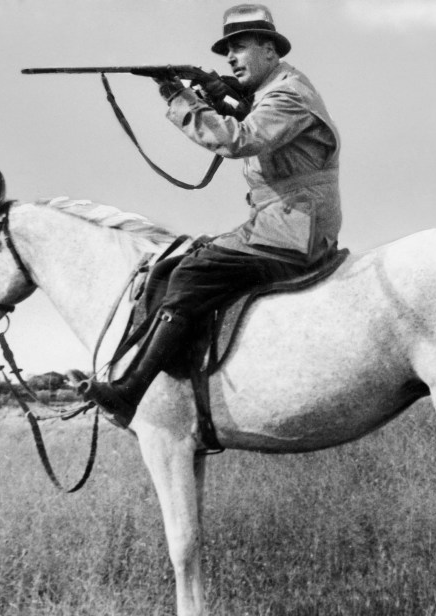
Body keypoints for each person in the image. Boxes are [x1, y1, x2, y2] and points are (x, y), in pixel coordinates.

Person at [81, 3, 342, 428]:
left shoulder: (287, 94)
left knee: (190, 275)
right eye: (227, 52)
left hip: (292, 232)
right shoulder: (279, 88)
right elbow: (251, 120)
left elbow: (239, 139)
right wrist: (218, 94)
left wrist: (179, 97)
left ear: (270, 51)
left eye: (239, 47)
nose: (232, 58)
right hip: (281, 222)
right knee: (177, 262)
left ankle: (131, 392)